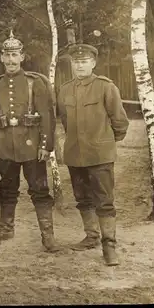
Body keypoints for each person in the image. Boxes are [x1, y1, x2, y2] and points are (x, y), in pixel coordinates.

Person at [0, 31, 62, 253]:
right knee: (6, 189)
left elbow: (47, 117)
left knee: (40, 191)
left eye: (15, 55)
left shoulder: (35, 82)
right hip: (4, 146)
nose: (11, 60)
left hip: (32, 147)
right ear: (1, 58)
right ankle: (6, 229)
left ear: (22, 57)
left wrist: (46, 146)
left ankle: (48, 237)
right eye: (7, 55)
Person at [57, 43, 129, 266]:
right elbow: (66, 121)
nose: (79, 65)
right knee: (83, 199)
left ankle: (110, 246)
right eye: (76, 62)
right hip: (75, 154)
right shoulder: (65, 89)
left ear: (93, 63)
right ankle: (91, 236)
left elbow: (120, 121)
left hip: (100, 155)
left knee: (104, 201)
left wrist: (105, 142)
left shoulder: (106, 87)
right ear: (72, 65)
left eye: (84, 61)